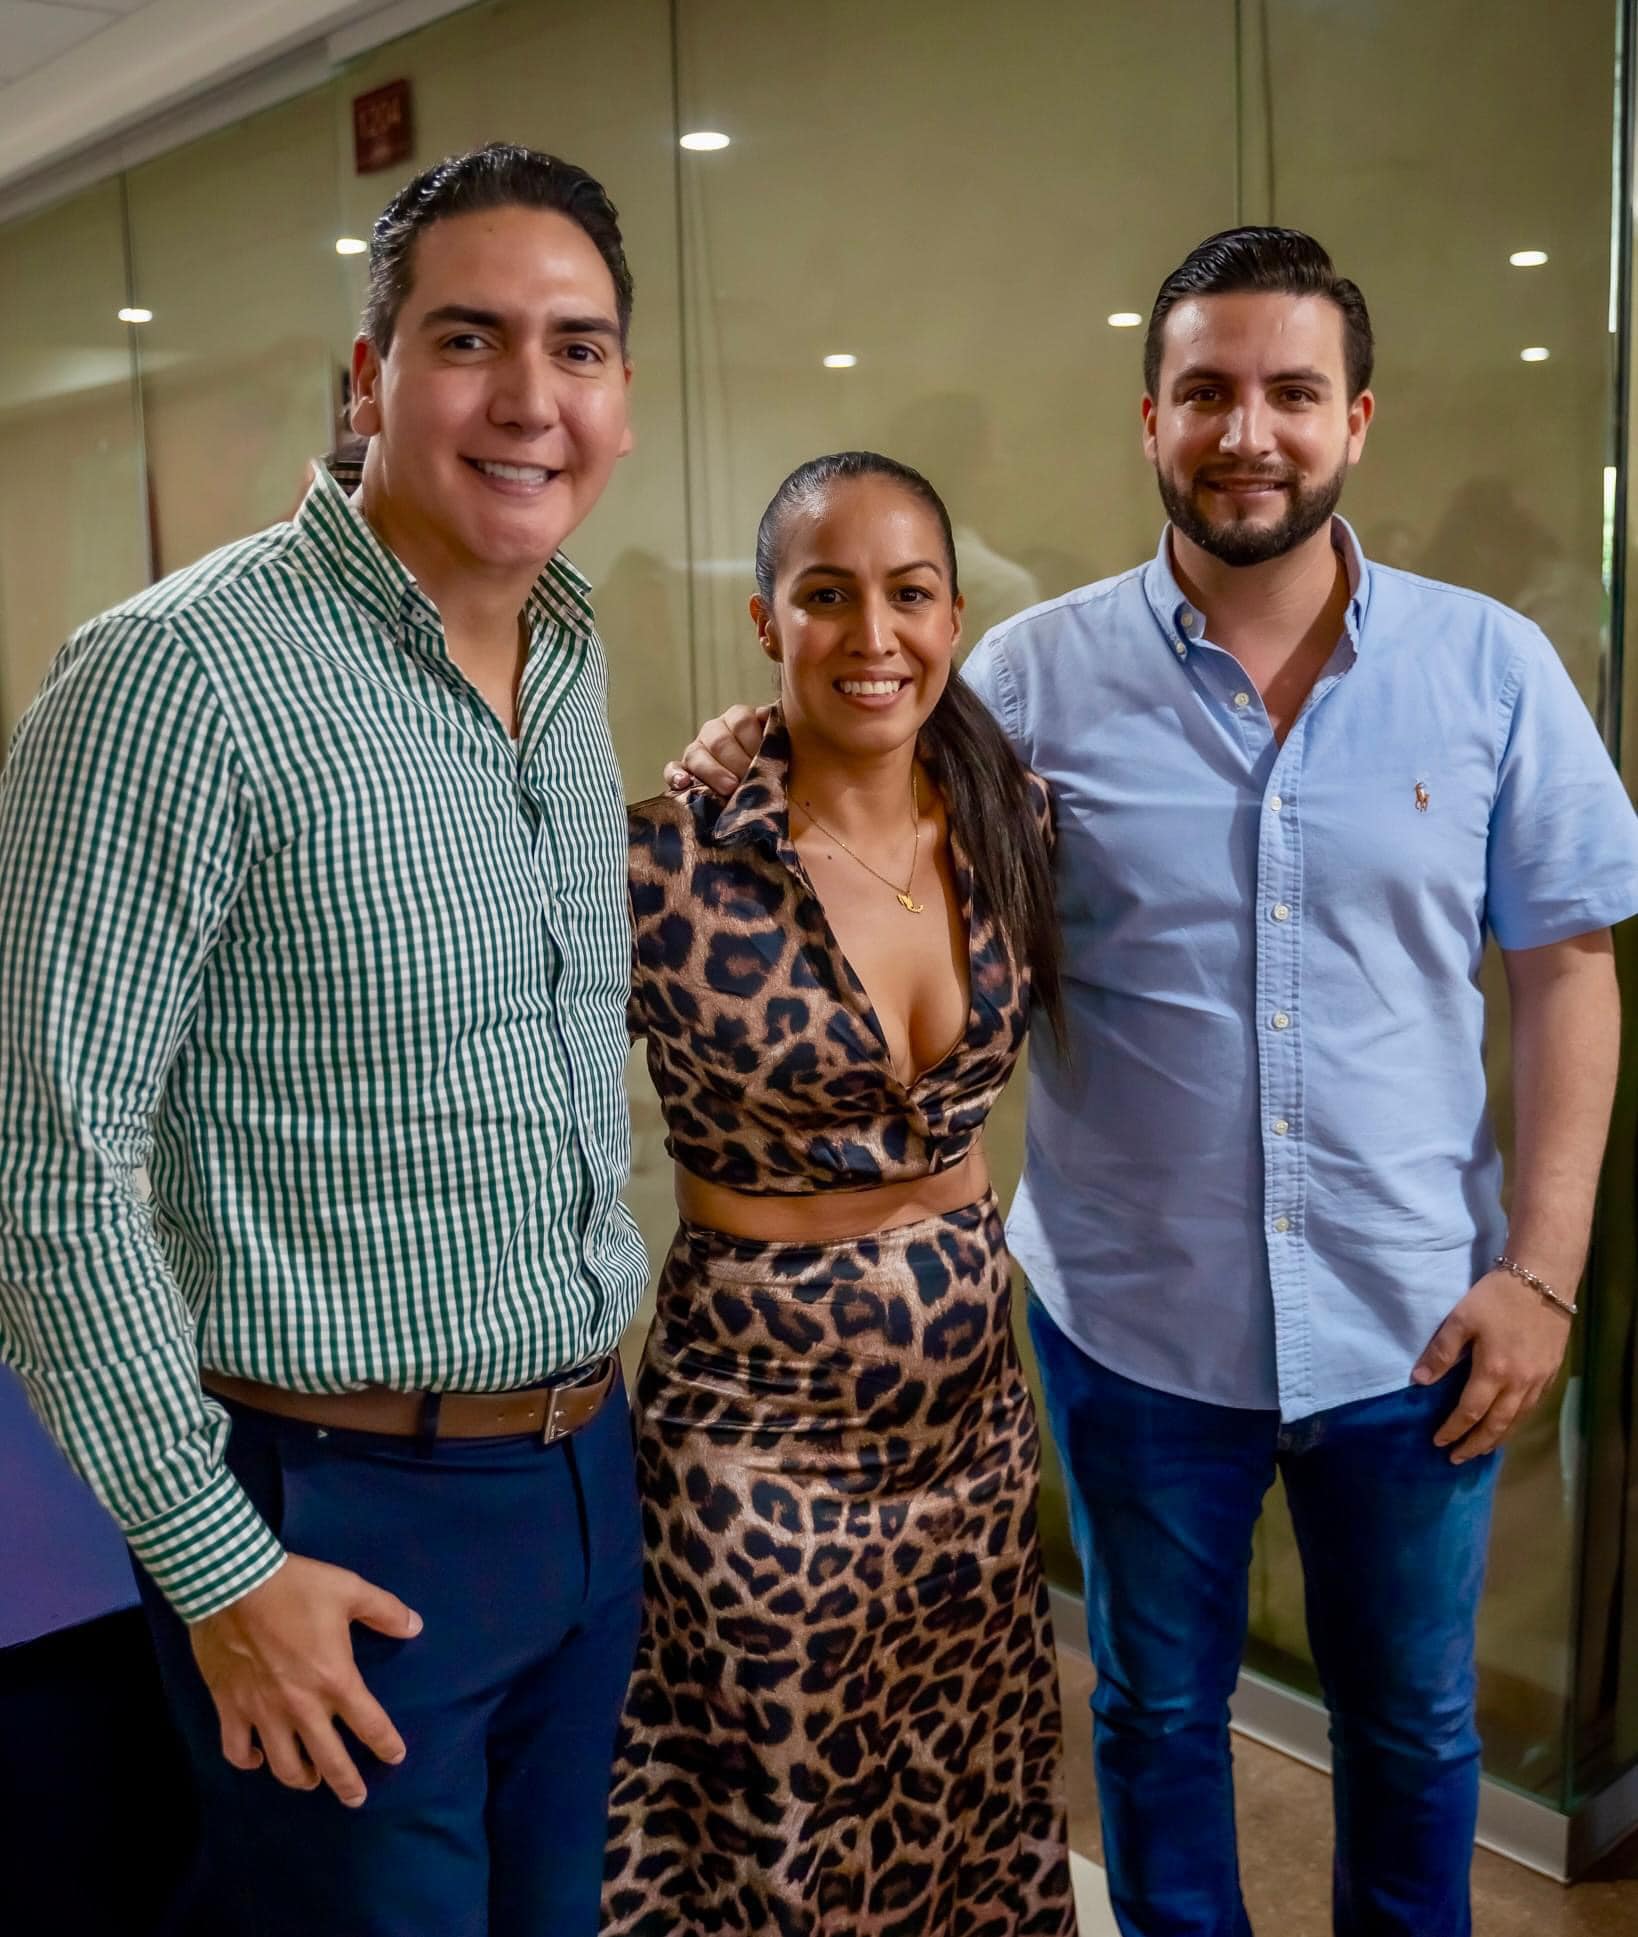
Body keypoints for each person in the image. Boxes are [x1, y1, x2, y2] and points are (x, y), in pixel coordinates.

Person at [666, 229, 1638, 1936]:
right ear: (1149, 419)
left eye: (1290, 392)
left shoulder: (1488, 667)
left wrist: (1542, 1272)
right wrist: (745, 744)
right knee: (1155, 1713)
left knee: (1414, 1732)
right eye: (1206, 392)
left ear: (1355, 420)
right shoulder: (1025, 683)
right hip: (1132, 1332)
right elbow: (857, 781)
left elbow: (1566, 970)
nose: (1247, 431)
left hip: (1412, 1328)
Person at [0, 143, 647, 1937]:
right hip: (329, 1505)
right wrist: (219, 1569)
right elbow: (47, 1168)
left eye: (579, 348)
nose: (529, 398)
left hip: (581, 1481)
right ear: (371, 376)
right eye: (470, 339)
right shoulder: (175, 678)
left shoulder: (567, 656)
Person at [603, 451, 1076, 1935]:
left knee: (969, 1785)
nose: (874, 634)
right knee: (777, 1818)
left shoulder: (1014, 820)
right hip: (756, 1436)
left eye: (909, 593)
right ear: (767, 621)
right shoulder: (665, 860)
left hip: (973, 1420)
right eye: (826, 596)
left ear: (953, 614)